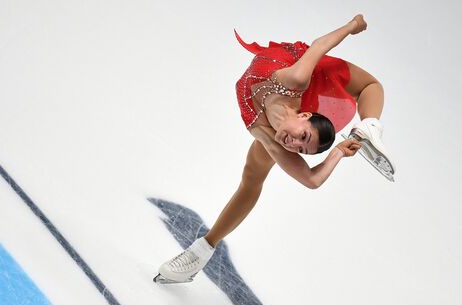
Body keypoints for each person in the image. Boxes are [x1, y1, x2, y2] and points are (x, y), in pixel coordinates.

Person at [154, 14, 395, 284]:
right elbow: (320, 45)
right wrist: (353, 25)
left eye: (301, 148)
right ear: (304, 116)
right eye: (302, 136)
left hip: (275, 115)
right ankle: (371, 126)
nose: (292, 144)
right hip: (293, 58)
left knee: (251, 179)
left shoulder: (271, 138)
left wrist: (338, 151)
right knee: (368, 85)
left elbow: (312, 179)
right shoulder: (296, 79)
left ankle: (200, 253)